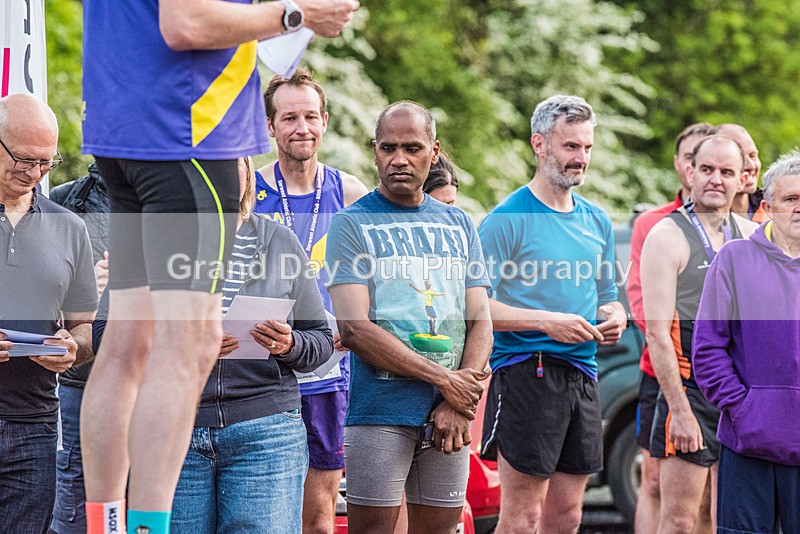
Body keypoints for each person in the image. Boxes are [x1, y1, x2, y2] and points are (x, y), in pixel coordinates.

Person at [79, 2, 359, 533]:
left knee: (127, 342)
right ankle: (145, 527)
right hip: (188, 136)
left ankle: (108, 524)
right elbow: (187, 23)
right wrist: (296, 15)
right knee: (189, 343)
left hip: (121, 127)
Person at [326, 101, 493, 534]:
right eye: (389, 147)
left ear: (434, 152)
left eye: (413, 148)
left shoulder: (459, 223)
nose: (400, 159)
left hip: (450, 414)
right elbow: (355, 329)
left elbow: (480, 319)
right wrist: (446, 381)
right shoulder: (350, 224)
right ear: (375, 152)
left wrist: (460, 399)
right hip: (379, 411)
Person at [478, 94, 627, 533]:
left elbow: (608, 294)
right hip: (527, 372)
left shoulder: (596, 220)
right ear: (539, 144)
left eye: (586, 147)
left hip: (583, 373)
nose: (580, 158)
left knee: (567, 516)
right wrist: (545, 321)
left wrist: (614, 315)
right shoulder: (506, 219)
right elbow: (474, 307)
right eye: (570, 146)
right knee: (522, 517)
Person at [255, 67, 368, 534]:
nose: (301, 127)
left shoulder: (353, 194)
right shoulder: (249, 192)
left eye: (310, 116)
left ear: (324, 121)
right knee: (264, 506)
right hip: (264, 367)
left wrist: (356, 323)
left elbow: (377, 281)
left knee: (319, 513)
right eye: (289, 118)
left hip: (330, 369)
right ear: (270, 126)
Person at [640, 134, 757, 533]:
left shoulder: (753, 235)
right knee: (679, 520)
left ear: (743, 178)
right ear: (690, 172)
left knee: (723, 517)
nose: (715, 180)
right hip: (690, 391)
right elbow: (656, 335)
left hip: (740, 394)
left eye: (727, 172)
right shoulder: (666, 236)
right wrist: (680, 411)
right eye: (706, 169)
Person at [0, 93, 98, 533]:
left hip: (35, 429)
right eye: (23, 159)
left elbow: (85, 326)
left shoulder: (69, 227)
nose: (34, 173)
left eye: (46, 163)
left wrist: (72, 348)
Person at [694, 150, 800, 534]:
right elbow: (707, 349)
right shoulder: (734, 260)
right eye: (791, 200)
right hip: (748, 443)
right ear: (768, 208)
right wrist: (743, 409)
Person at [626, 122, 712, 534]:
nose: (703, 171)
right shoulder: (656, 224)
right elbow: (643, 303)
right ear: (682, 165)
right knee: (655, 479)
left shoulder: (738, 227)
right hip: (659, 370)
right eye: (693, 159)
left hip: (713, 378)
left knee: (708, 495)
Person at [47, 161, 110, 534]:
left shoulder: (168, 197)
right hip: (80, 380)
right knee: (75, 497)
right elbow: (43, 293)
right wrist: (88, 288)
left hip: (152, 376)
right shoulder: (66, 199)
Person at [710, 123, 766, 222]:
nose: (752, 166)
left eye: (753, 156)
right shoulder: (695, 220)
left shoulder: (772, 207)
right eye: (741, 158)